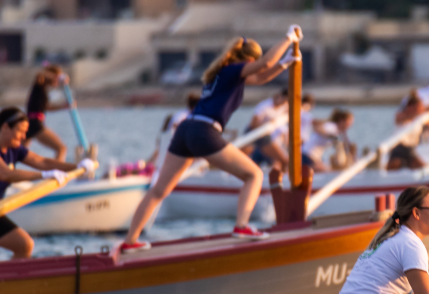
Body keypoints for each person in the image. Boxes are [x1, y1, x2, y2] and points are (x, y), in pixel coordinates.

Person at [120, 29, 302, 251]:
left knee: (159, 190)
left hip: (186, 129)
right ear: (248, 60)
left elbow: (262, 76)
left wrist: (285, 63)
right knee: (254, 175)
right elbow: (265, 64)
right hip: (204, 131)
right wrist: (288, 38)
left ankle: (130, 241)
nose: (256, 67)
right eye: (254, 62)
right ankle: (242, 226)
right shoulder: (234, 69)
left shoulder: (221, 72)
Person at [0, 108, 93, 258]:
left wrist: (78, 166)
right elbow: (5, 174)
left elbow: (42, 161)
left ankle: (12, 274)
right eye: (20, 131)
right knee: (24, 244)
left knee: (24, 245)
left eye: (25, 132)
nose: (24, 137)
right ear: (5, 127)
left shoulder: (14, 149)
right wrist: (43, 175)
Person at [25, 64, 72, 161]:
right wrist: (59, 76)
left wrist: (63, 106)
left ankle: (8, 167)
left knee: (18, 153)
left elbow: (46, 107)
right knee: (61, 148)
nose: (57, 81)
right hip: (35, 124)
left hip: (30, 122)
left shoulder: (43, 90)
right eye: (57, 78)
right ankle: (56, 170)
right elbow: (40, 73)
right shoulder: (39, 83)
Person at [387, 91, 429, 171]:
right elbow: (402, 118)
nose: (421, 108)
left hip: (410, 148)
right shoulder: (401, 115)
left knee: (421, 168)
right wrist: (421, 113)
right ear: (411, 107)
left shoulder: (421, 117)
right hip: (398, 147)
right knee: (392, 168)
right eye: (419, 107)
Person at [246, 88, 290, 170]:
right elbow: (253, 124)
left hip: (266, 135)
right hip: (253, 133)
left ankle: (282, 176)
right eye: (283, 101)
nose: (283, 104)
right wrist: (270, 124)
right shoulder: (265, 105)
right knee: (239, 157)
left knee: (283, 160)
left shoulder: (285, 106)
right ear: (279, 97)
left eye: (286, 102)